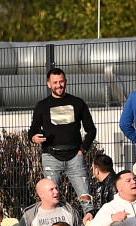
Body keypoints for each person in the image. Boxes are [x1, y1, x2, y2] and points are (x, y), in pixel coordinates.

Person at [28, 67, 96, 213]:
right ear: (49, 84)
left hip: (75, 156)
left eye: (61, 82)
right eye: (55, 82)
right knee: (50, 199)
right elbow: (33, 129)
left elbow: (91, 130)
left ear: (66, 81)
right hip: (51, 156)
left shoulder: (77, 102)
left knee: (86, 200)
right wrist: (34, 137)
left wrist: (83, 150)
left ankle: (90, 224)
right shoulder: (42, 105)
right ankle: (55, 225)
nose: (59, 85)